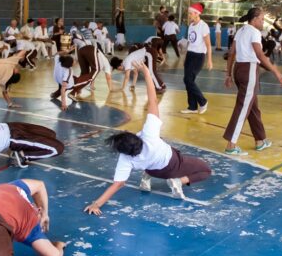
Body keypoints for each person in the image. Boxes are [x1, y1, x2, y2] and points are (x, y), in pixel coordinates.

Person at [84, 62, 211, 214]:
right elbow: (153, 100)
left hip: (154, 170)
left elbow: (117, 184)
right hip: (173, 164)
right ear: (133, 137)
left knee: (150, 161)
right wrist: (147, 72)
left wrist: (96, 204)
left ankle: (146, 177)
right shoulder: (148, 134)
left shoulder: (126, 159)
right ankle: (179, 181)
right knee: (206, 171)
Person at [223, 8, 282, 155]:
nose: (263, 22)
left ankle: (260, 140)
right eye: (262, 19)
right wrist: (277, 73)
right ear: (255, 19)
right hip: (249, 70)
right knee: (243, 107)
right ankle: (231, 145)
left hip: (238, 69)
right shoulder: (254, 32)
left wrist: (228, 74)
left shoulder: (241, 31)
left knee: (252, 106)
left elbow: (231, 53)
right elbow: (260, 54)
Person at [182, 3, 212, 114]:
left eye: (191, 13)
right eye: (189, 13)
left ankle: (203, 101)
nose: (189, 15)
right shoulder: (191, 25)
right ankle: (192, 107)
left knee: (188, 80)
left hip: (198, 56)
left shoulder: (203, 26)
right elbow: (190, 42)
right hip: (190, 55)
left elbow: (208, 44)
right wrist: (185, 57)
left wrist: (209, 60)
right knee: (189, 81)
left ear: (197, 13)